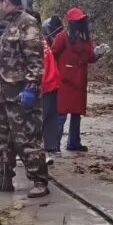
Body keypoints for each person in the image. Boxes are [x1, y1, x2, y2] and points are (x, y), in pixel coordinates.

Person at [0, 0, 49, 197]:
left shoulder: (27, 23)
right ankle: (2, 179)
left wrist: (32, 87)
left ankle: (39, 181)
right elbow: (10, 56)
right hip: (3, 93)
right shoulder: (11, 24)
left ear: (7, 2)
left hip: (20, 95)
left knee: (26, 138)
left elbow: (35, 61)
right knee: (0, 138)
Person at [51, 7, 108, 152]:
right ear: (71, 23)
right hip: (65, 81)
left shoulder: (84, 38)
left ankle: (74, 143)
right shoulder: (62, 37)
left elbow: (89, 57)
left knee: (76, 114)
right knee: (61, 114)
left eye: (81, 21)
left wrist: (98, 53)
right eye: (77, 21)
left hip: (79, 81)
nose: (80, 24)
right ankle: (54, 144)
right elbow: (53, 55)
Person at [41, 15, 64, 159]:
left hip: (50, 84)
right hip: (45, 85)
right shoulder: (40, 44)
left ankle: (49, 147)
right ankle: (42, 148)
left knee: (49, 118)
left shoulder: (45, 45)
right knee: (44, 118)